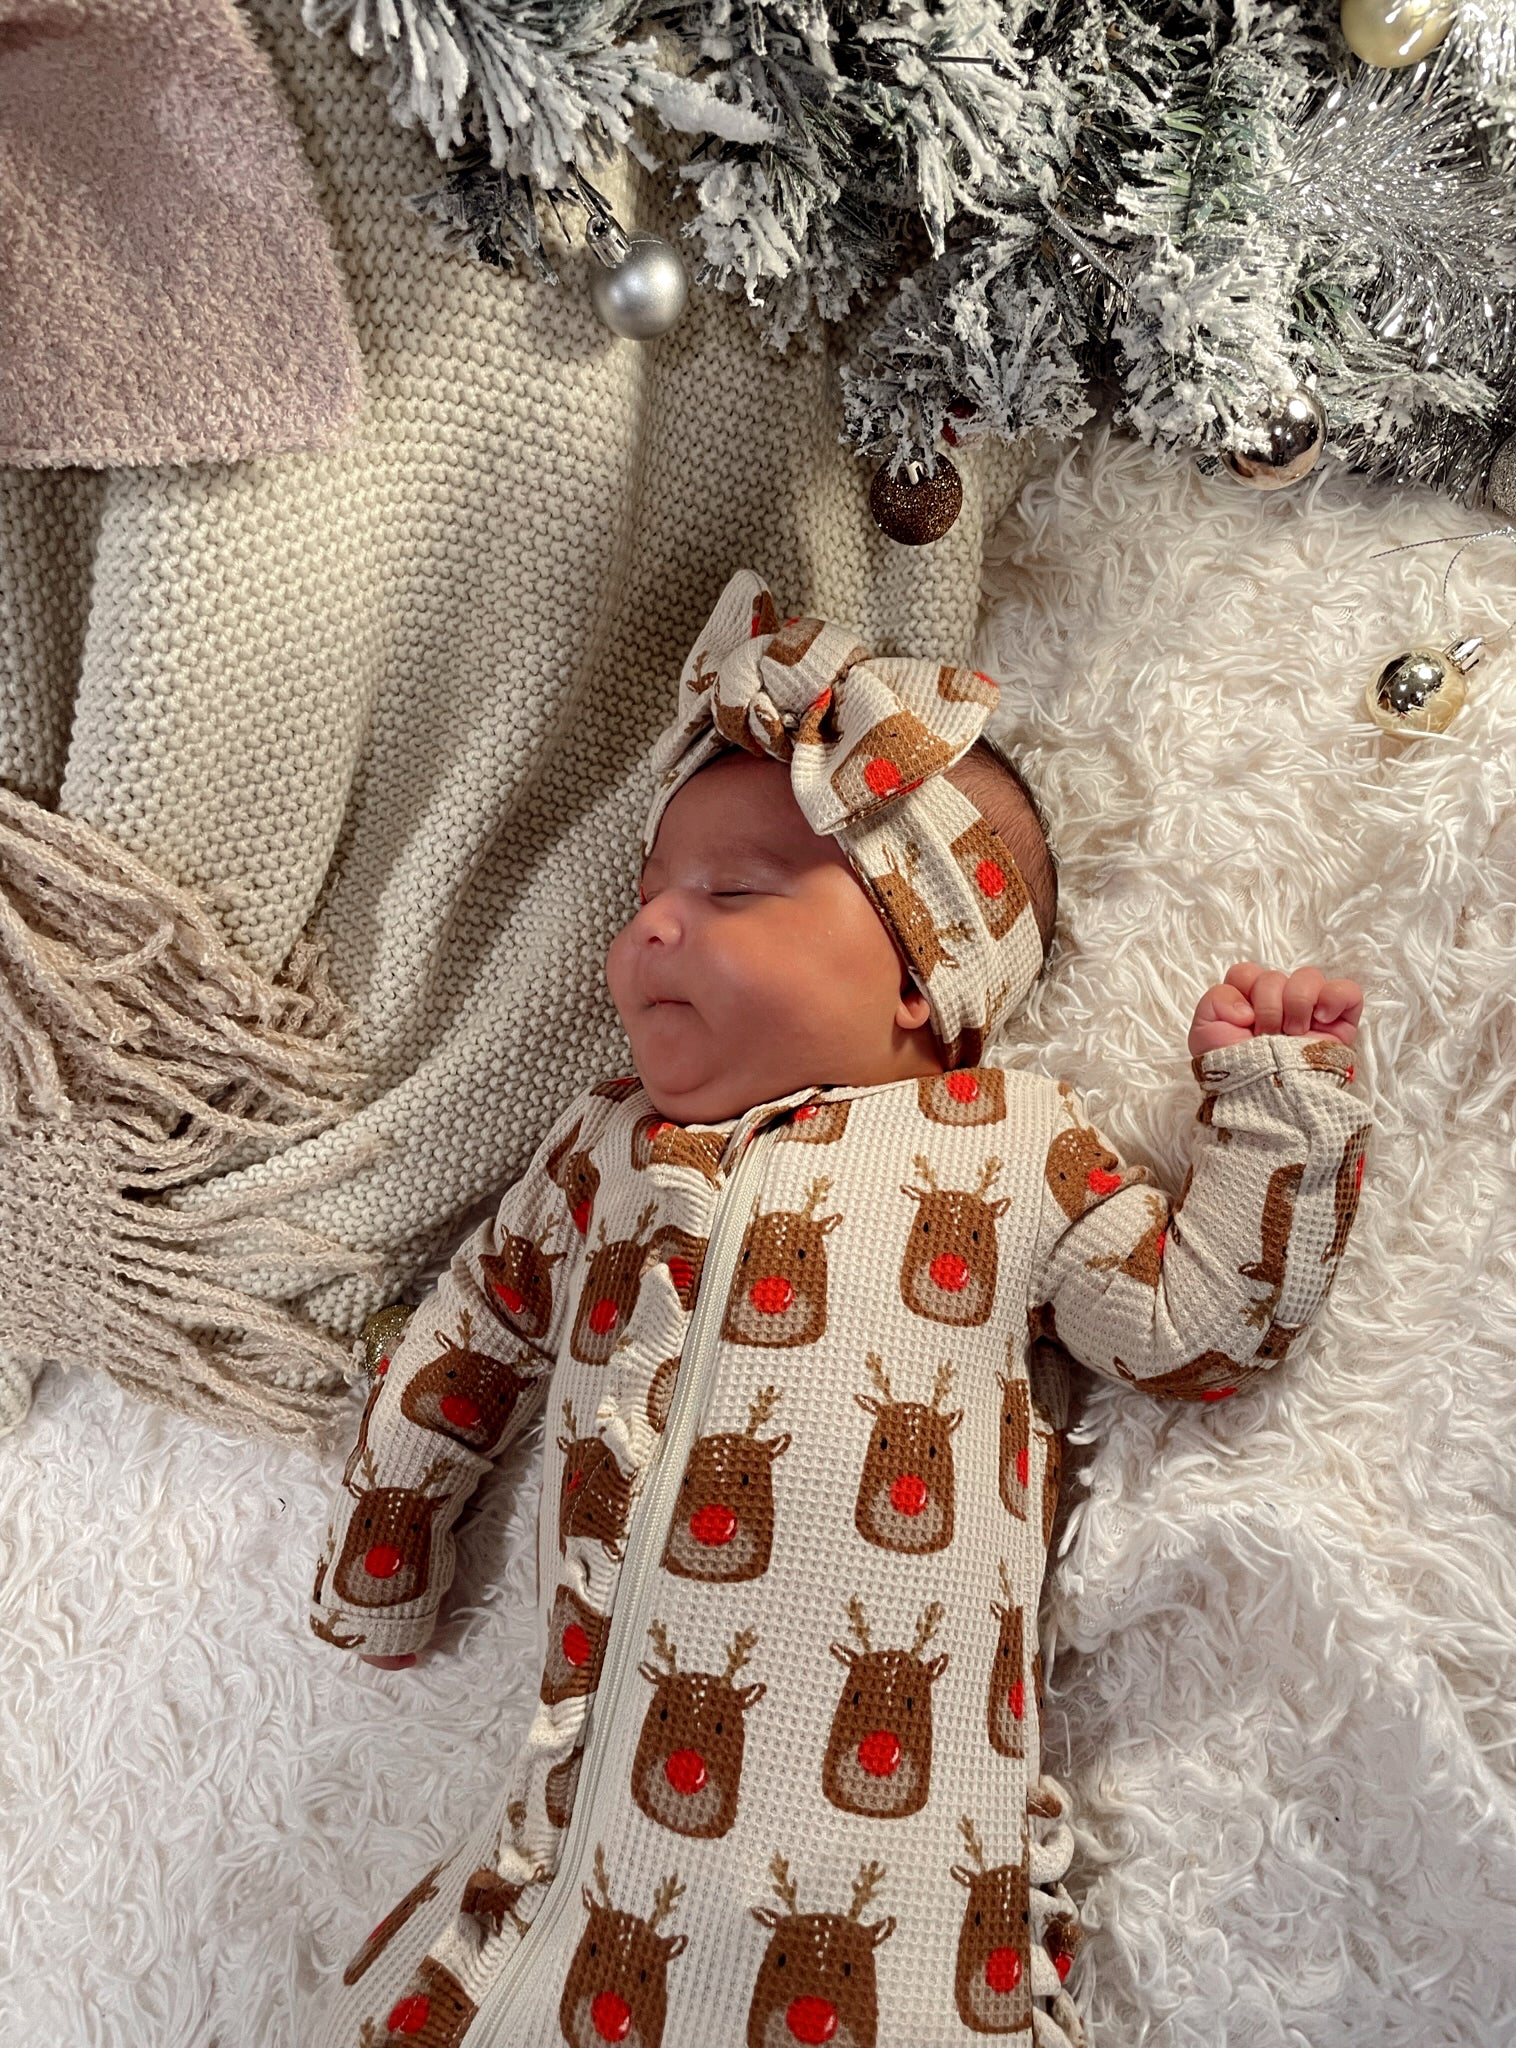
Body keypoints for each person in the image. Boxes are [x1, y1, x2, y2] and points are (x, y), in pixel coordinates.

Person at [306, 570, 1369, 2048]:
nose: (654, 928)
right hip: (589, 1861)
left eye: (734, 893)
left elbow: (1197, 1329)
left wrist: (1275, 1109)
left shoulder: (1011, 1145)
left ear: (926, 977)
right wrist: (387, 1546)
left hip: (905, 1888)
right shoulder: (601, 1150)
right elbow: (468, 1336)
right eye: (649, 894)